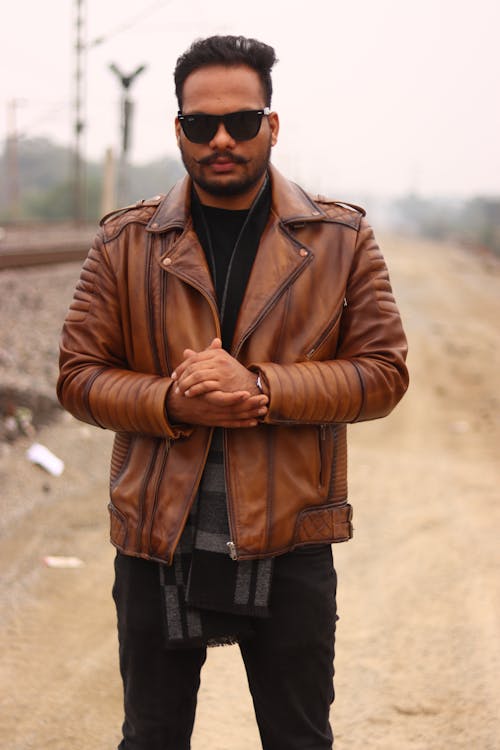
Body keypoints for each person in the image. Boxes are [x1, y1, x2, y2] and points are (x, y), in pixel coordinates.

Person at [57, 34, 408, 750]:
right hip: (158, 534)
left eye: (241, 122)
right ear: (179, 129)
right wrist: (168, 404)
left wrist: (262, 387)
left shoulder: (342, 239)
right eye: (200, 124)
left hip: (291, 533)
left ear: (271, 125)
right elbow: (76, 375)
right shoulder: (126, 243)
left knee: (299, 739)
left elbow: (384, 372)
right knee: (151, 738)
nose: (221, 139)